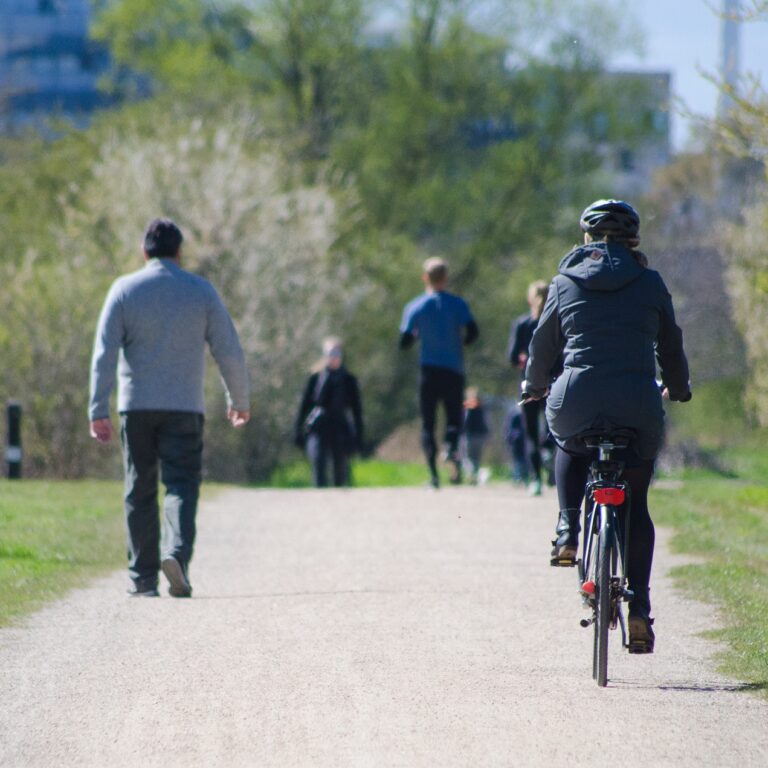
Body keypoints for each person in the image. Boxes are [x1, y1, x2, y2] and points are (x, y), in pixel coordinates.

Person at [523, 199, 691, 653]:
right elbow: (670, 346)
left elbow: (542, 346)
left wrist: (533, 386)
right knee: (637, 505)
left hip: (577, 399)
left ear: (586, 238)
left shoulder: (563, 282)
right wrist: (678, 387)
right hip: (637, 404)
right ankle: (638, 607)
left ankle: (567, 529)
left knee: (568, 442)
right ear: (633, 240)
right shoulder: (651, 282)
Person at [89, 218, 250, 598]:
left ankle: (143, 579)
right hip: (184, 407)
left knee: (139, 488)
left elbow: (104, 353)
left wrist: (98, 408)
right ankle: (175, 555)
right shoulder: (201, 291)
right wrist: (239, 399)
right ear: (179, 253)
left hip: (137, 407)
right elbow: (228, 348)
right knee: (181, 484)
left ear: (144, 252)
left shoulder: (124, 289)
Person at [400, 257, 479, 488]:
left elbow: (404, 341)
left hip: (428, 371)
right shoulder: (457, 304)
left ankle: (434, 476)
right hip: (453, 369)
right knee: (454, 417)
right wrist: (460, 342)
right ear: (445, 278)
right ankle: (451, 446)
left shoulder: (415, 307)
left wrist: (417, 335)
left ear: (425, 278)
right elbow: (473, 332)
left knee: (428, 423)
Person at [294, 337, 364, 488]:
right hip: (319, 426)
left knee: (340, 470)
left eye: (337, 353)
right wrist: (297, 430)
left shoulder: (348, 380)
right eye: (330, 353)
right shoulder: (315, 378)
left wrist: (359, 436)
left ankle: (337, 503)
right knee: (318, 462)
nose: (334, 357)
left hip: (340, 427)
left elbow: (357, 410)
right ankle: (320, 500)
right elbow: (304, 406)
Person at [508, 280, 553, 496]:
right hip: (553, 383)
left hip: (528, 384)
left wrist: (522, 358)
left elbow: (511, 356)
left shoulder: (522, 324)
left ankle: (536, 479)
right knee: (553, 426)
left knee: (531, 434)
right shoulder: (555, 322)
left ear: (529, 299)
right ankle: (549, 453)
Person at [462, 387, 490, 484]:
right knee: (477, 458)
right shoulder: (482, 407)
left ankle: (472, 475)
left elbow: (465, 422)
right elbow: (485, 422)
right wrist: (487, 434)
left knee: (468, 458)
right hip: (480, 436)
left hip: (470, 436)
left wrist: (461, 431)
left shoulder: (468, 407)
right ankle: (475, 476)